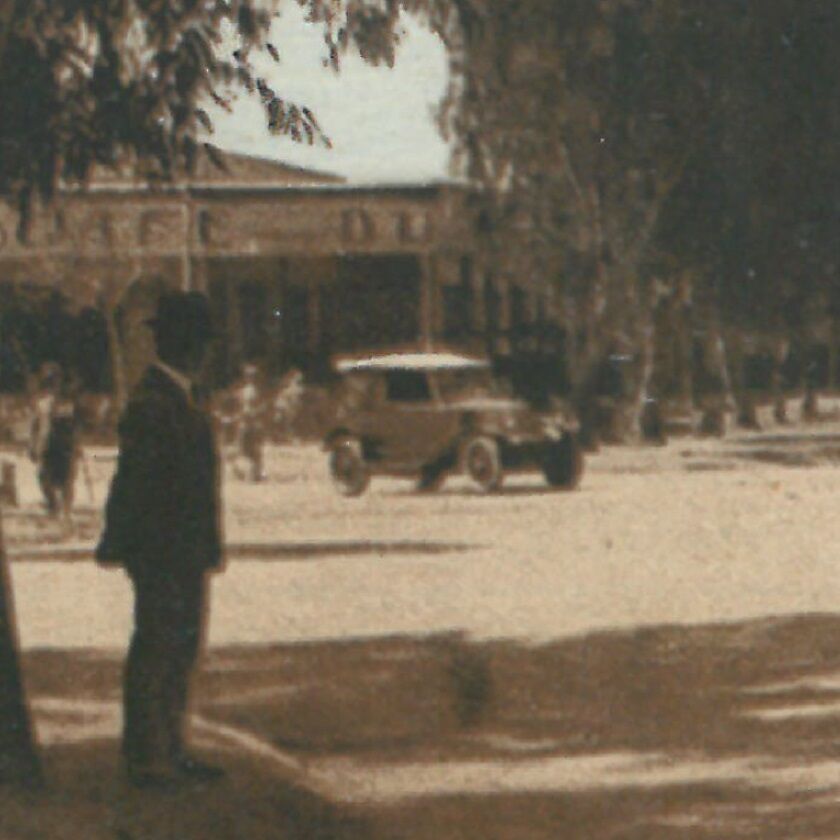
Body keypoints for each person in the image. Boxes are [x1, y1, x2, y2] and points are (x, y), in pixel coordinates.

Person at [95, 291, 224, 790]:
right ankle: (149, 757)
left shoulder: (176, 398)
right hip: (164, 549)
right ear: (191, 347)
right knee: (158, 647)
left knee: (181, 647)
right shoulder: (154, 403)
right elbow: (139, 485)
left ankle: (172, 747)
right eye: (201, 343)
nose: (205, 353)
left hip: (182, 548)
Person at [30, 364, 79, 519]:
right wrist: (33, 444)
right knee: (46, 478)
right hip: (48, 444)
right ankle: (55, 508)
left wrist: (76, 444)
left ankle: (64, 510)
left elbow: (71, 426)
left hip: (60, 444)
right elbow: (36, 424)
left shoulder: (67, 403)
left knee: (63, 479)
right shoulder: (42, 402)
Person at [232, 363, 266, 481]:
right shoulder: (249, 391)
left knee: (246, 449)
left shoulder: (248, 391)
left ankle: (253, 474)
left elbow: (248, 409)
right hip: (248, 423)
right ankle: (253, 474)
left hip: (248, 424)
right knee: (250, 450)